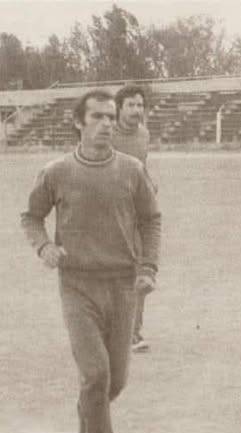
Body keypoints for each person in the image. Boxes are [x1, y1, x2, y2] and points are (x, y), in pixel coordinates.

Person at [21, 89, 161, 433]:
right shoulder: (56, 172)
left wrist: (148, 267)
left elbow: (151, 219)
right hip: (77, 285)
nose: (106, 124)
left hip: (122, 284)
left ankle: (88, 411)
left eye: (110, 117)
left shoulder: (132, 170)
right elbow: (31, 217)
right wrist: (44, 246)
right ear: (78, 122)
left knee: (116, 380)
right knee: (96, 372)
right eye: (97, 116)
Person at [113, 84, 155, 353]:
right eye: (131, 105)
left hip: (136, 213)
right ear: (119, 108)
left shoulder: (143, 134)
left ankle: (133, 333)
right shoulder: (105, 133)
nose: (137, 110)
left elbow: (142, 168)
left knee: (140, 270)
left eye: (140, 105)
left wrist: (149, 185)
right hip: (109, 214)